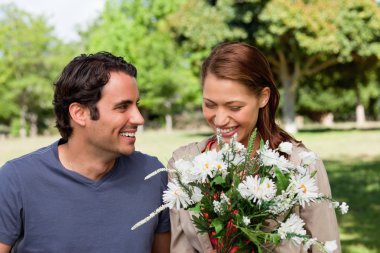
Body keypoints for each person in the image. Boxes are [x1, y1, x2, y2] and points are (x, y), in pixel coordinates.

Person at [168, 42, 341, 253]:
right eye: (210, 104)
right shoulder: (184, 164)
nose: (220, 119)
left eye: (235, 107)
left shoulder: (301, 165)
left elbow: (325, 246)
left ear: (263, 97)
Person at [0, 52, 170, 253]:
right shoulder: (16, 180)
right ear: (80, 113)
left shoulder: (153, 175)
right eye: (122, 107)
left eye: (136, 105)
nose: (139, 118)